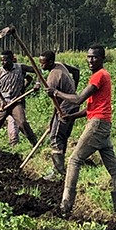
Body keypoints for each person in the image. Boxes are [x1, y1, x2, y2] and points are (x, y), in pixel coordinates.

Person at [45, 45, 116, 215]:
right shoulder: (102, 76)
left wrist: (56, 92)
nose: (90, 60)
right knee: (114, 169)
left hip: (97, 126)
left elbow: (78, 99)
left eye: (94, 57)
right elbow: (91, 108)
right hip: (103, 125)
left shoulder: (99, 76)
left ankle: (66, 206)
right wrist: (71, 117)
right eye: (88, 57)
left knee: (74, 160)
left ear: (102, 58)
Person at [0, 50, 38, 154]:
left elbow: (38, 71)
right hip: (4, 102)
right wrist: (1, 101)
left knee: (22, 123)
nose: (3, 63)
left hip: (16, 101)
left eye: (5, 60)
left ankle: (35, 143)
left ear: (11, 60)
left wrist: (37, 83)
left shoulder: (20, 68)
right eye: (1, 60)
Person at [38, 50, 80, 178]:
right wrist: (73, 92)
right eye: (40, 63)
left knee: (55, 137)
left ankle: (58, 172)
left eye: (43, 64)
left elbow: (57, 102)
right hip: (74, 105)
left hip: (65, 108)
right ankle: (61, 168)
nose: (41, 66)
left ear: (50, 62)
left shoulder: (52, 78)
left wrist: (52, 121)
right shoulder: (60, 64)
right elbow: (76, 71)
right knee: (63, 136)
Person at [6, 54, 33, 147]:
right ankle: (14, 140)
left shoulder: (20, 69)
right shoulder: (5, 72)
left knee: (16, 120)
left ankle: (14, 140)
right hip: (9, 100)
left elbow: (25, 83)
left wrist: (25, 85)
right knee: (13, 120)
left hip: (18, 99)